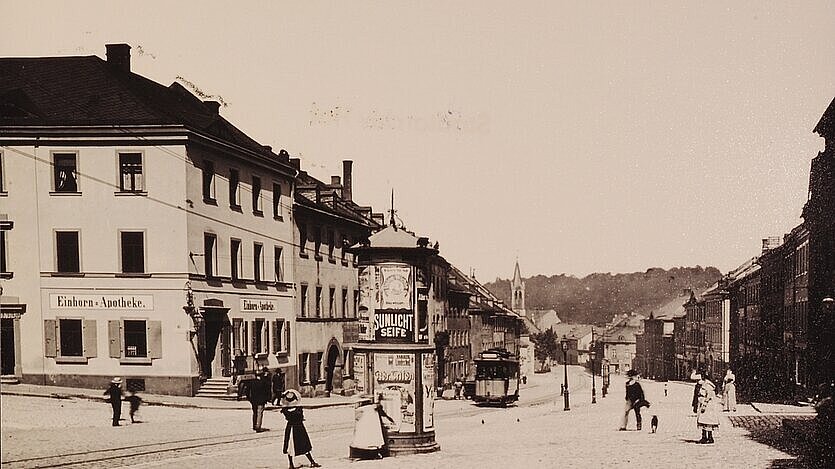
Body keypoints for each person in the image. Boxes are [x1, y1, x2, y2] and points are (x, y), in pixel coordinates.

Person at [280, 389, 321, 469]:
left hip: (290, 427)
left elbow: (288, 417)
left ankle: (291, 464)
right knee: (304, 444)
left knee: (290, 446)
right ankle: (312, 461)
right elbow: (300, 417)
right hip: (299, 427)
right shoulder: (299, 409)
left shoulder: (285, 411)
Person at [350, 393, 395, 459]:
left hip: (361, 439)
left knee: (363, 440)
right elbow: (380, 409)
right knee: (371, 440)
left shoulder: (361, 410)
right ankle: (374, 453)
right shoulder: (373, 408)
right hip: (373, 438)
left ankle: (364, 454)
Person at [696, 372, 720, 444]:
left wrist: (704, 405)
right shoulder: (705, 384)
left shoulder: (708, 385)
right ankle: (704, 437)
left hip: (708, 406)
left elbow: (708, 396)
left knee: (707, 421)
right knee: (704, 420)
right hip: (705, 404)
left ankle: (709, 437)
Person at [247, 367, 271, 432]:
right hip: (261, 400)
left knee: (254, 413)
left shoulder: (252, 382)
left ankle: (254, 425)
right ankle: (258, 427)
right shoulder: (264, 382)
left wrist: (249, 398)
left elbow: (247, 391)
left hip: (253, 400)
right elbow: (267, 391)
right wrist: (267, 399)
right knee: (259, 413)